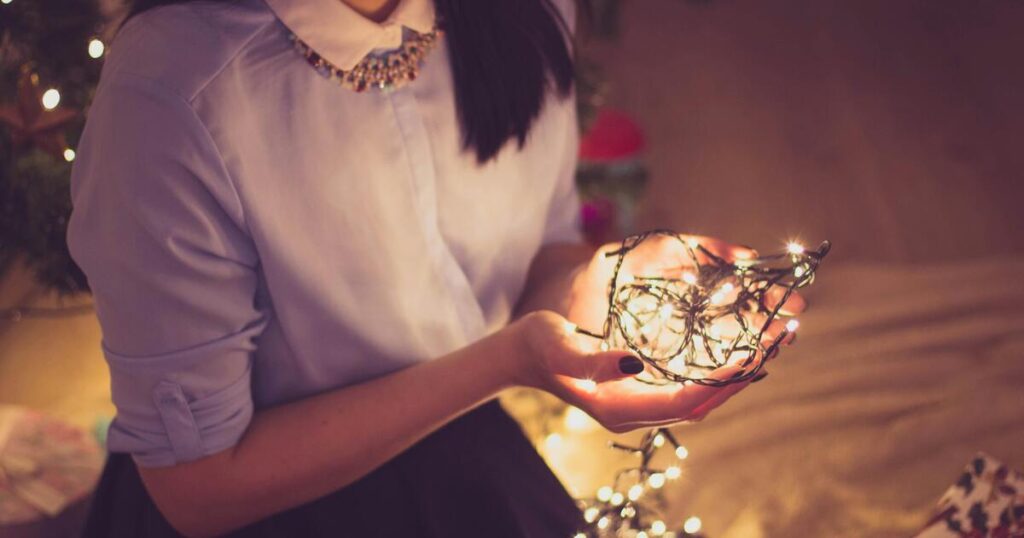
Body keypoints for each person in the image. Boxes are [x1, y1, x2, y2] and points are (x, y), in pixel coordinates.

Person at [67, 0, 802, 536]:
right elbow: (199, 492)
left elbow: (535, 262)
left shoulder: (524, 14)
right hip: (271, 505)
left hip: (456, 440)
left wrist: (605, 280)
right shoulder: (172, 97)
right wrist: (508, 363)